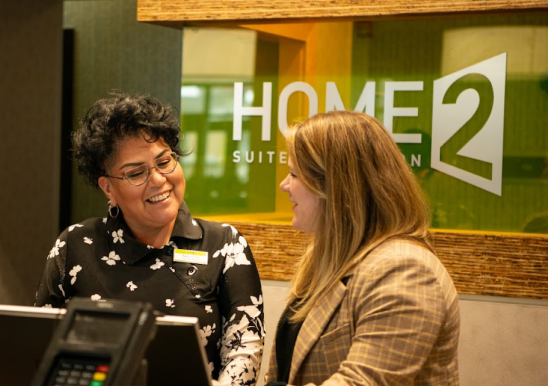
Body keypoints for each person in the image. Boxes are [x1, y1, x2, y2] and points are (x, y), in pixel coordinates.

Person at [35, 91, 265, 386]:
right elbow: (42, 351)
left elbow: (244, 357)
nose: (158, 179)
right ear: (108, 188)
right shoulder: (74, 247)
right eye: (136, 173)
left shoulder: (226, 245)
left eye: (164, 161)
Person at [265, 110, 460, 386]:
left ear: (336, 186)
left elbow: (360, 382)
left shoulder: (406, 272)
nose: (284, 185)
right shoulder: (329, 257)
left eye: (294, 174)